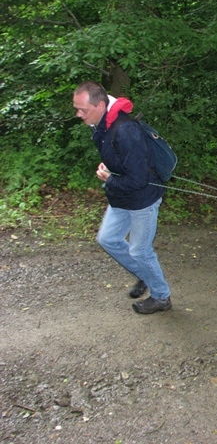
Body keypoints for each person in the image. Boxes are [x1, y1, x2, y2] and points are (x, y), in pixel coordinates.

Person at [72, 81, 172, 314]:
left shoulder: (126, 130)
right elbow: (123, 160)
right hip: (121, 196)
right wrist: (109, 166)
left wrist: (109, 179)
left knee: (140, 251)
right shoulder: (103, 123)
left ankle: (161, 297)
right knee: (108, 239)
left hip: (142, 199)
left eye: (82, 110)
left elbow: (138, 179)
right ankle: (144, 275)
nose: (78, 114)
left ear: (99, 105)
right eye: (77, 109)